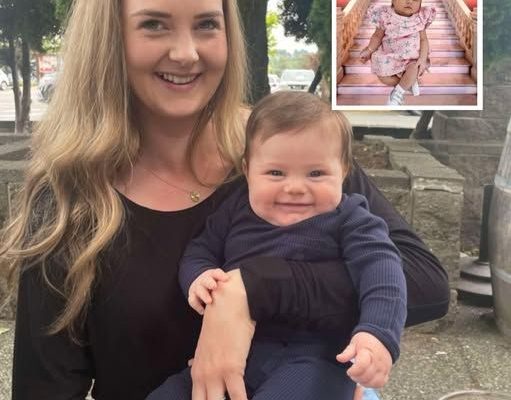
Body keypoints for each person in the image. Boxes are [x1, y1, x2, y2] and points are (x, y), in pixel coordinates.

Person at [0, 0, 449, 399]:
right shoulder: (69, 202)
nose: (186, 52)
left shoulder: (291, 146)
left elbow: (425, 282)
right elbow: (45, 388)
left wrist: (253, 289)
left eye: (207, 24)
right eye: (154, 24)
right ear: (109, 39)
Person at [147, 91, 407, 400]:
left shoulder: (351, 218)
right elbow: (200, 249)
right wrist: (199, 276)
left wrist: (376, 334)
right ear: (247, 171)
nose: (294, 187)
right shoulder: (236, 211)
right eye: (275, 173)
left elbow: (383, 274)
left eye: (316, 173)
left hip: (316, 358)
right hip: (238, 354)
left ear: (344, 172)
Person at [359, 0, 436, 105]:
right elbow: (377, 36)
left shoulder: (419, 18)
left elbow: (423, 40)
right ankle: (408, 82)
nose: (409, 1)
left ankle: (397, 93)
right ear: (393, 1)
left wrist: (422, 58)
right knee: (383, 77)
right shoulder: (385, 15)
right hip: (390, 56)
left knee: (414, 68)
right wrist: (369, 50)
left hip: (411, 58)